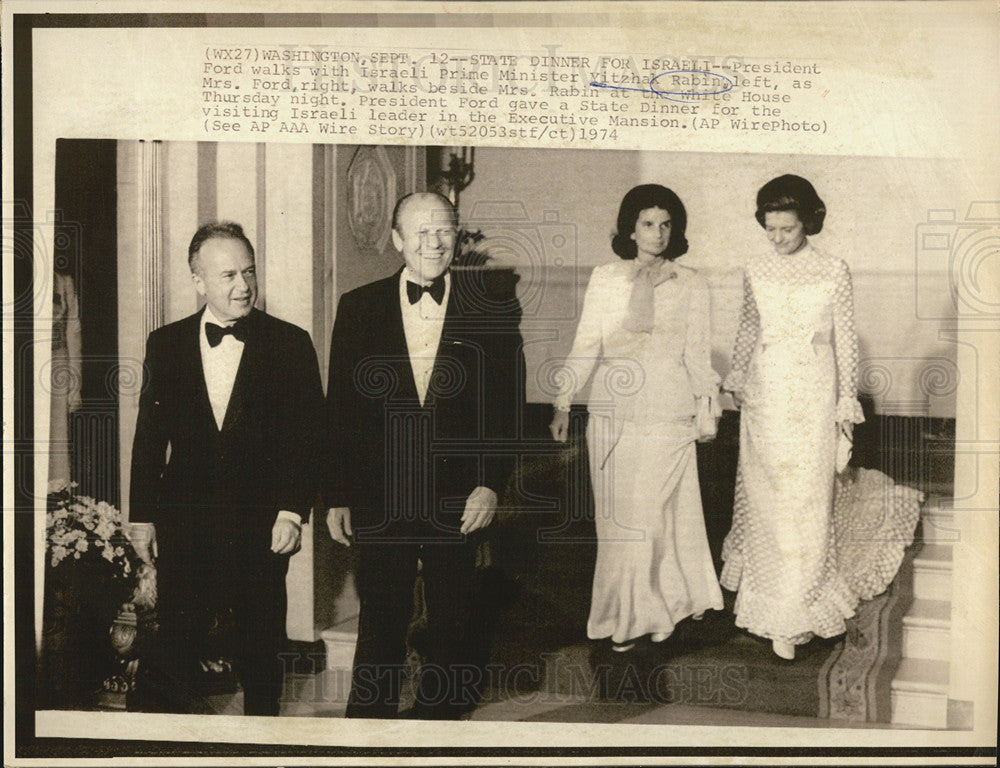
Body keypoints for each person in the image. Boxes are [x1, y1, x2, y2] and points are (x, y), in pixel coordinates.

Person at [324, 191, 525, 719]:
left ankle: (439, 726)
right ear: (397, 241)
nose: (435, 244)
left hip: (459, 490)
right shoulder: (358, 306)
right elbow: (341, 409)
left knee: (453, 615)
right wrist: (338, 494)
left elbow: (505, 407)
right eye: (421, 233)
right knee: (381, 616)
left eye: (445, 232)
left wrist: (490, 482)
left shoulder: (493, 305)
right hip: (381, 490)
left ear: (456, 236)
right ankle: (367, 732)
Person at [130, 221, 324, 714]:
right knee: (176, 641)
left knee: (261, 645)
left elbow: (308, 440)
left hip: (262, 524)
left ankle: (263, 741)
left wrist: (291, 511)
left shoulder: (290, 343)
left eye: (249, 272)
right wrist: (141, 515)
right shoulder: (165, 343)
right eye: (228, 275)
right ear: (198, 281)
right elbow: (150, 437)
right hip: (185, 519)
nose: (243, 286)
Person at [550, 184, 724, 653]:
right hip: (612, 409)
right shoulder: (607, 279)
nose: (658, 233)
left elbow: (697, 355)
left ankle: (634, 618)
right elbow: (587, 344)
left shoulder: (692, 284)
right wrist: (564, 400)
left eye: (667, 224)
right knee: (620, 521)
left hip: (669, 410)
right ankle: (651, 607)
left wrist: (710, 404)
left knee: (649, 516)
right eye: (649, 223)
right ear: (631, 228)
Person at [720, 175, 866, 660]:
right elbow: (748, 324)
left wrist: (846, 404)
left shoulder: (832, 269)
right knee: (768, 500)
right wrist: (737, 376)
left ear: (808, 220)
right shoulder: (756, 268)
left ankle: (801, 604)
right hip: (765, 396)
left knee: (807, 498)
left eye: (787, 228)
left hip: (813, 393)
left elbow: (845, 341)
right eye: (770, 229)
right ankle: (771, 605)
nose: (778, 238)